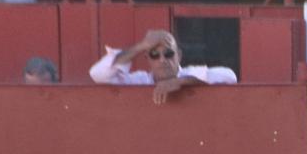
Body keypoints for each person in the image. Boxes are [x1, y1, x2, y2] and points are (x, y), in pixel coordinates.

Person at [89, 29, 236, 103]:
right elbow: (98, 74)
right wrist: (141, 46)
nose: (162, 60)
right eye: (154, 55)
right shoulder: (138, 81)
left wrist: (181, 81)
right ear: (147, 59)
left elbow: (230, 76)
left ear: (179, 55)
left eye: (168, 54)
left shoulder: (192, 73)